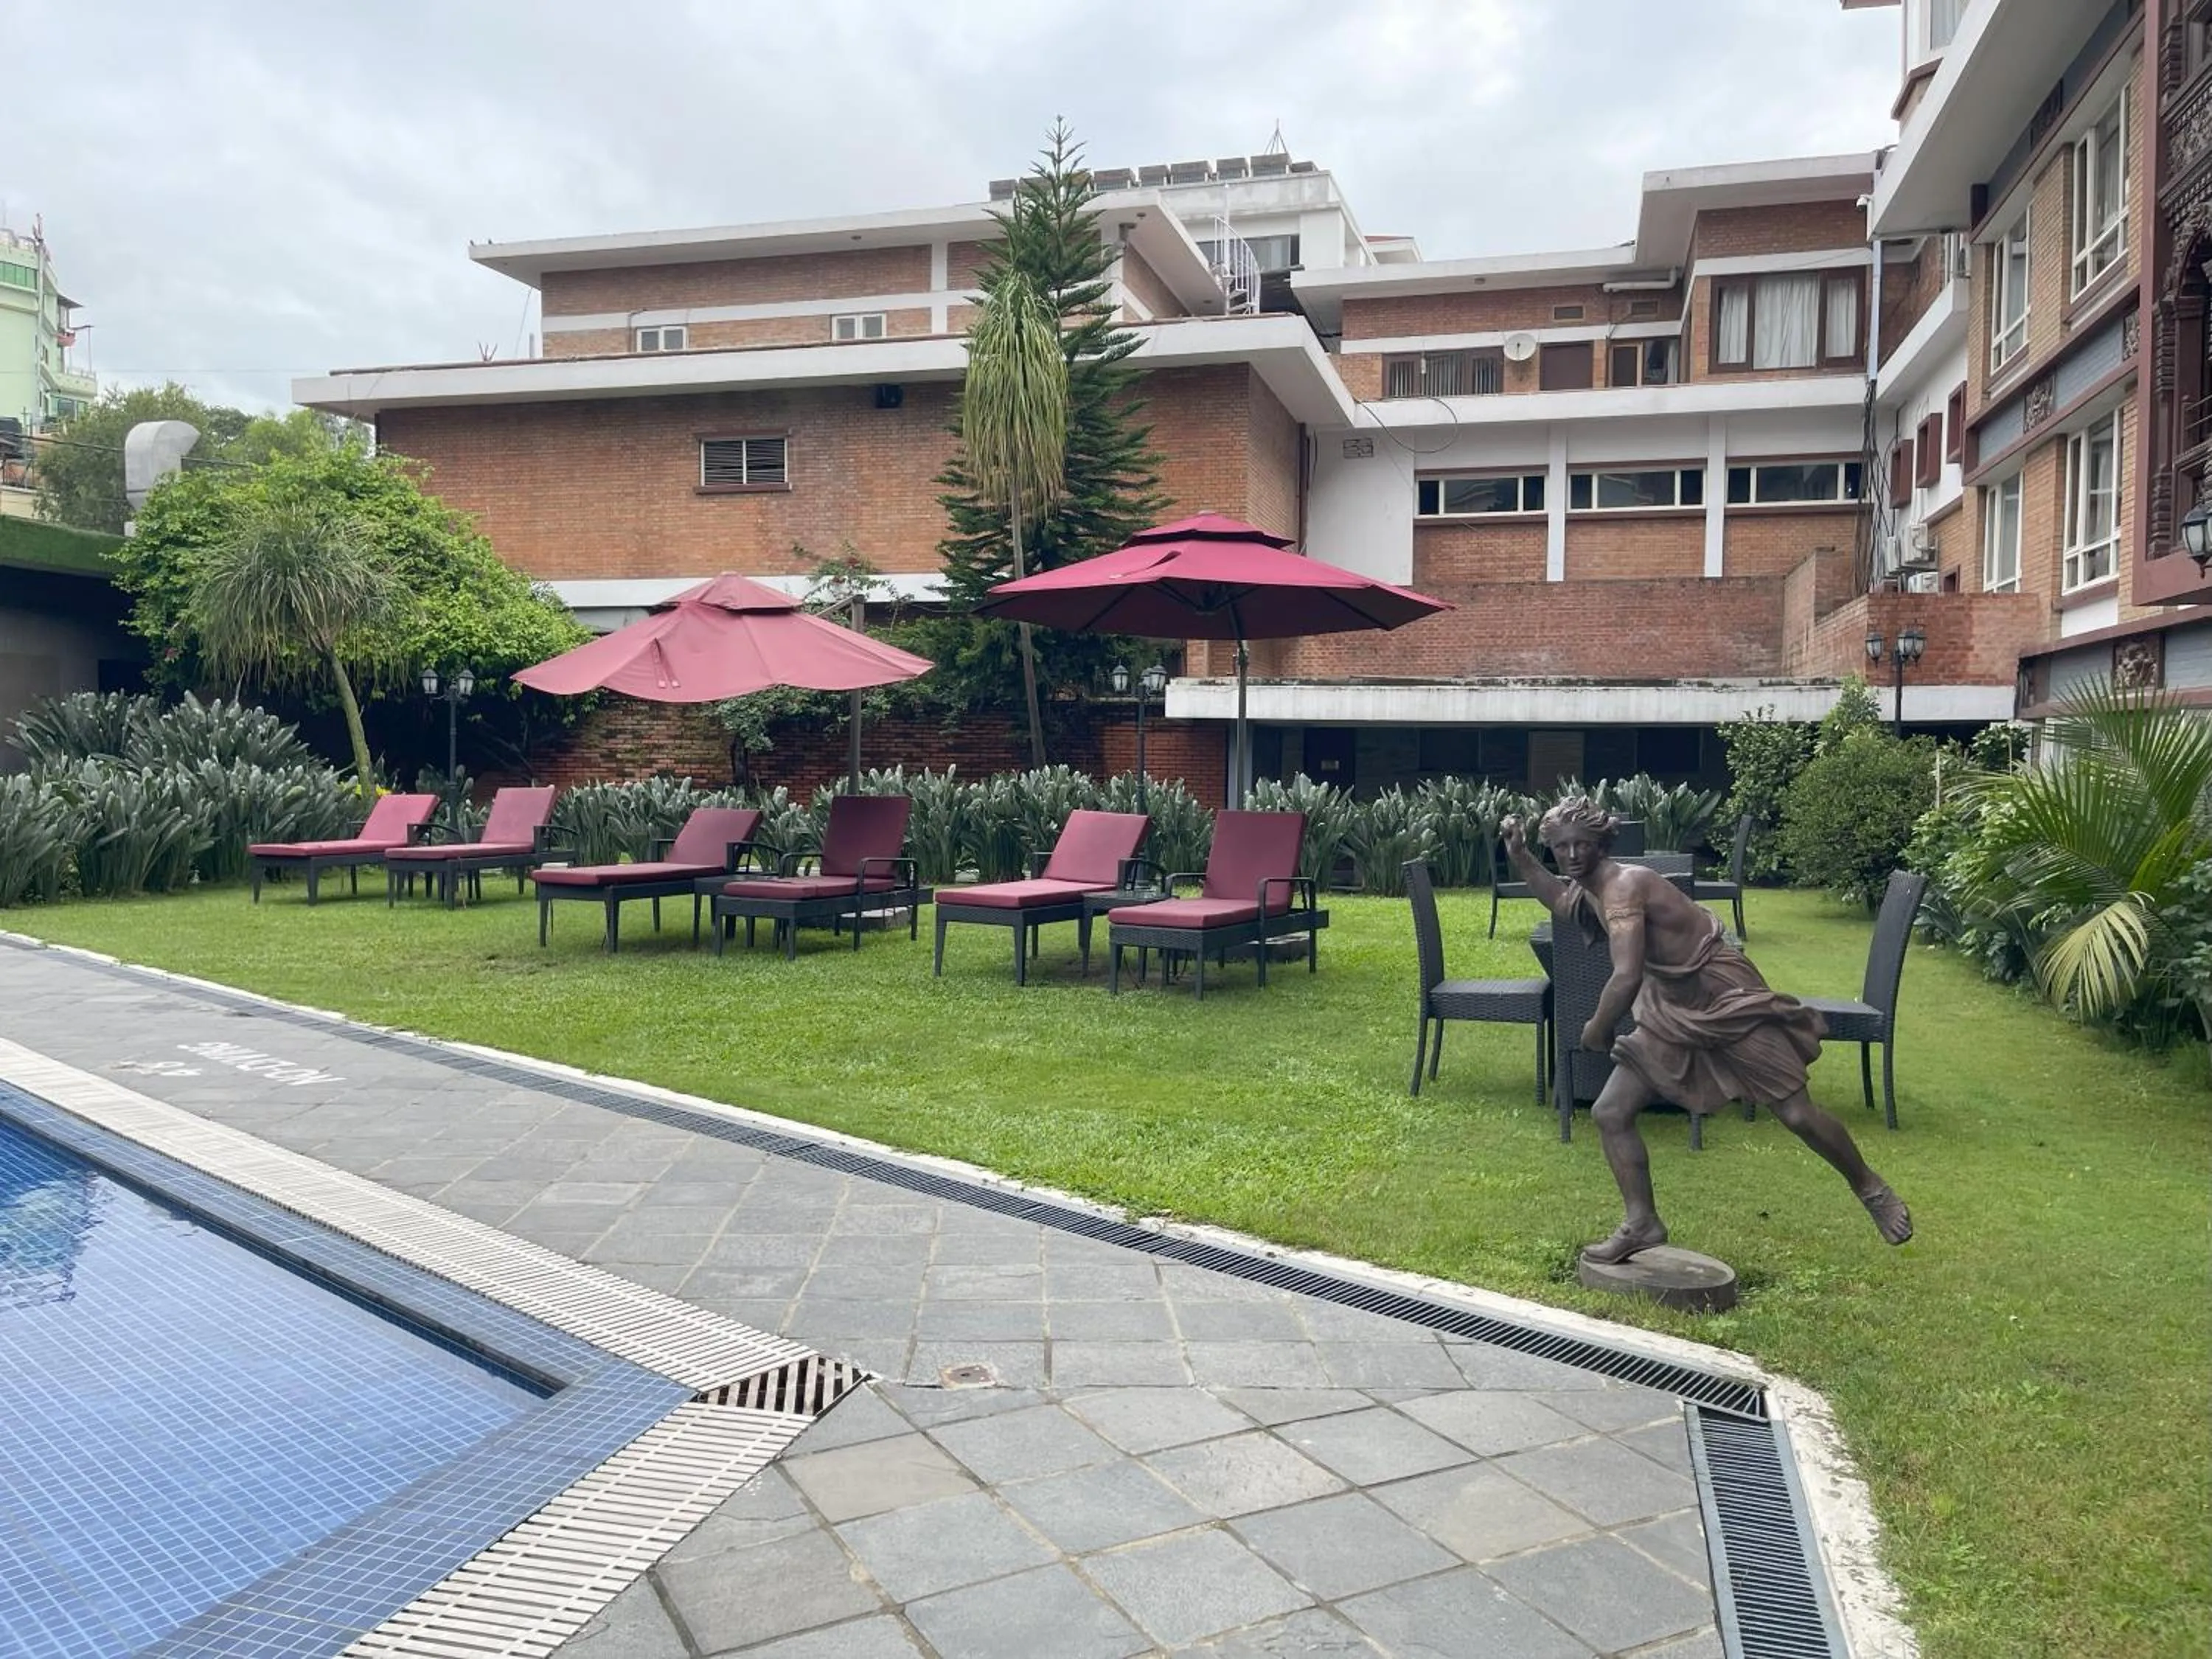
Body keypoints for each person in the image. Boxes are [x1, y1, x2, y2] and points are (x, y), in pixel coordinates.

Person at [1503, 797, 1912, 1265]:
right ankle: (1642, 1223)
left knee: (1797, 1114)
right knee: (1611, 1112)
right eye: (1561, 848)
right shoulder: (1592, 887)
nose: (1572, 856)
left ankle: (1870, 1187)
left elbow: (1626, 974)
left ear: (1602, 842)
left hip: (1725, 996)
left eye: (1582, 844)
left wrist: (1596, 1028)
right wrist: (1522, 856)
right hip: (1671, 1007)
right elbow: (1561, 899)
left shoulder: (1622, 888)